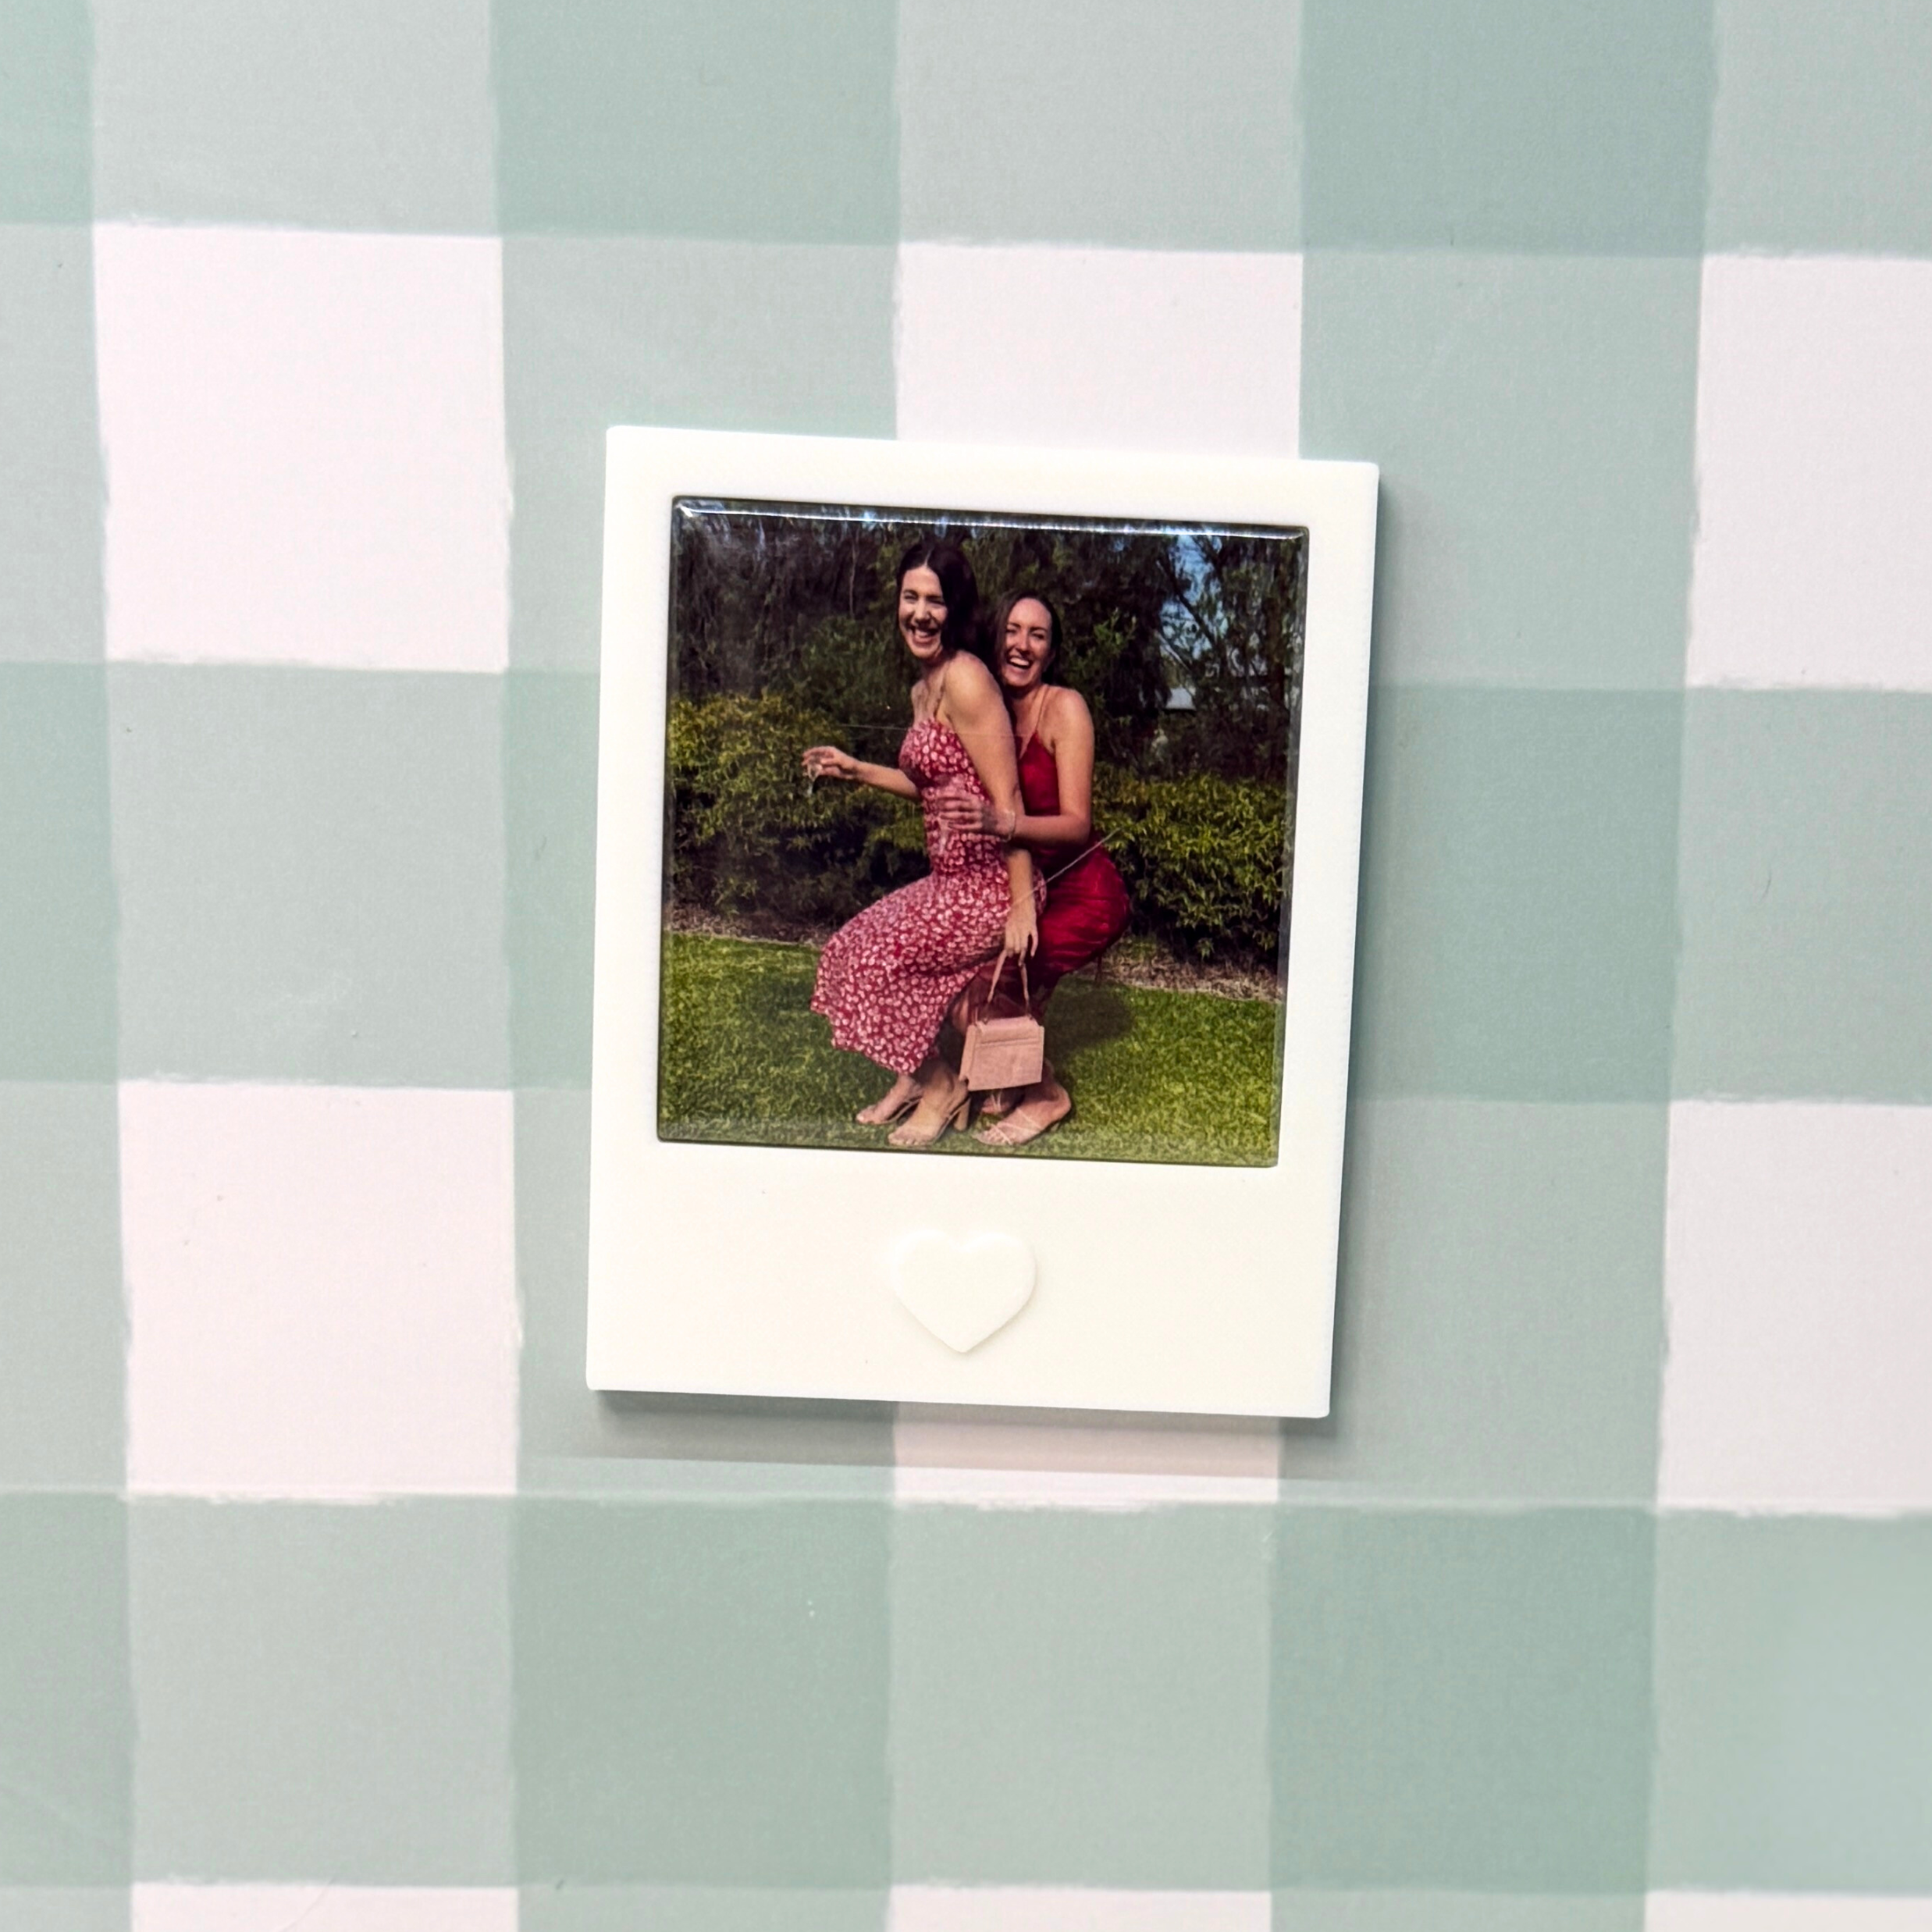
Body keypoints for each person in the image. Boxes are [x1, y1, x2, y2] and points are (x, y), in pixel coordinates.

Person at [802, 542, 1038, 1147]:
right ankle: (919, 1077)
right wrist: (855, 769)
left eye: (935, 601)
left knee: (872, 959)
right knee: (847, 951)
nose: (921, 613)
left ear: (954, 609)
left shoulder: (965, 678)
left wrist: (1019, 902)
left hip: (987, 887)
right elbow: (929, 785)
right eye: (911, 598)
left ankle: (939, 1085)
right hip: (947, 884)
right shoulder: (923, 687)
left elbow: (1008, 799)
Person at [930, 591, 1131, 1147]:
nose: (1021, 645)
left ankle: (1044, 1091)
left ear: (1050, 650)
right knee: (977, 988)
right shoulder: (985, 707)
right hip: (1026, 886)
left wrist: (1002, 824)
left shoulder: (1063, 708)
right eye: (1013, 631)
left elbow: (1075, 824)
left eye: (1037, 635)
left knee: (984, 993)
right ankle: (1011, 1074)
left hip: (1083, 892)